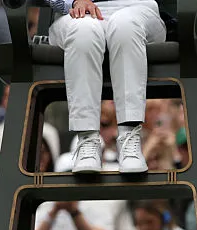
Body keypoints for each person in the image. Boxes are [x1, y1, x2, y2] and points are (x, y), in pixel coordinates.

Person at [45, 0, 167, 173]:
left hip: (139, 9)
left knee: (125, 25)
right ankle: (87, 139)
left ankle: (129, 136)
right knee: (83, 29)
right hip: (77, 14)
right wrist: (73, 2)